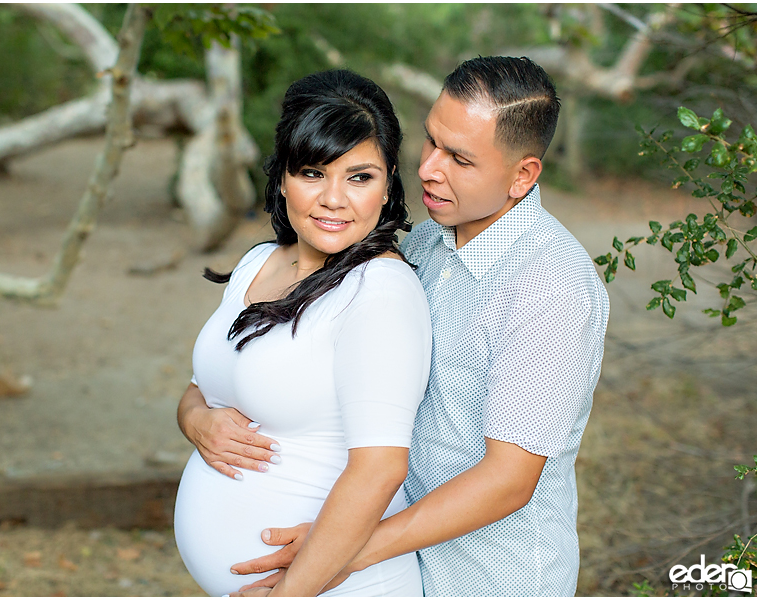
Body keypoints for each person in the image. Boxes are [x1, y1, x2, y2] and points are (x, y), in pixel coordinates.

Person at [192, 56, 610, 597]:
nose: (429, 168)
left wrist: (336, 551)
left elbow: (508, 481)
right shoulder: (429, 241)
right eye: (431, 141)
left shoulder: (550, 285)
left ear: (522, 175)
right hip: (398, 560)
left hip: (487, 577)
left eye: (459, 158)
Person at [173, 69, 432, 597]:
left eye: (360, 177)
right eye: (313, 173)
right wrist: (195, 420)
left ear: (388, 187)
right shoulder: (258, 263)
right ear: (283, 178)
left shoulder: (378, 291)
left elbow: (380, 468)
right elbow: (205, 384)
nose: (334, 199)